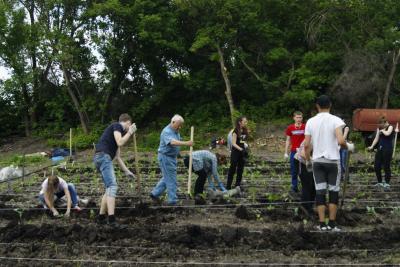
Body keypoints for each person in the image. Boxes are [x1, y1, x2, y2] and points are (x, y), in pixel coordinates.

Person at [304, 95, 354, 232]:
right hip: (333, 161)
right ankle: (332, 224)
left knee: (320, 192)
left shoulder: (310, 122)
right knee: (333, 192)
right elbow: (340, 141)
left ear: (317, 106)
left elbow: (307, 145)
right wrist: (349, 147)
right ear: (330, 105)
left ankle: (321, 224)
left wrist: (308, 160)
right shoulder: (336, 120)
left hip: (318, 161)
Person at [93, 113, 137, 227]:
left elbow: (118, 157)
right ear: (128, 122)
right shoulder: (117, 126)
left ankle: (101, 217)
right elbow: (120, 142)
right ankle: (112, 220)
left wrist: (127, 171)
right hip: (103, 157)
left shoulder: (117, 132)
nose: (129, 127)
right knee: (113, 186)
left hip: (99, 158)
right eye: (129, 125)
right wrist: (130, 132)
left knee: (109, 188)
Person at [150, 115, 193, 205]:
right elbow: (172, 142)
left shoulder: (176, 131)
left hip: (172, 157)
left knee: (167, 178)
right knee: (171, 179)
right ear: (173, 122)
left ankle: (154, 194)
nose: (180, 127)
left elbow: (177, 142)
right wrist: (186, 143)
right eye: (179, 125)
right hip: (165, 157)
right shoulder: (167, 131)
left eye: (181, 125)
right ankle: (172, 200)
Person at [368, 117, 398, 190]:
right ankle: (380, 182)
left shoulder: (390, 127)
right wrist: (372, 146)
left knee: (386, 166)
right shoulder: (380, 128)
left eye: (382, 124)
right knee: (376, 166)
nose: (381, 126)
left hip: (387, 149)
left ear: (385, 122)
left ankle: (387, 183)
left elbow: (387, 134)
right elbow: (376, 138)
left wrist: (382, 130)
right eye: (380, 125)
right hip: (380, 149)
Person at [284, 111, 306, 193]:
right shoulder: (290, 128)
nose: (299, 119)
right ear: (294, 118)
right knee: (294, 170)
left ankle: (305, 186)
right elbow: (288, 140)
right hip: (293, 151)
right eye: (297, 117)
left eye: (300, 117)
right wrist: (286, 152)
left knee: (304, 170)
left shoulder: (305, 127)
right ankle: (294, 186)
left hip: (303, 151)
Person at [227, 116, 249, 190]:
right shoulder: (236, 131)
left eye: (246, 121)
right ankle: (228, 186)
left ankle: (237, 185)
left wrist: (245, 150)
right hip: (235, 152)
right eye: (244, 121)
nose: (246, 123)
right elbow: (233, 143)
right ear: (240, 122)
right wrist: (241, 149)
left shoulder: (244, 130)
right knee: (232, 169)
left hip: (241, 152)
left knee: (240, 169)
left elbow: (242, 142)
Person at [294, 141, 316, 215]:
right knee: (307, 185)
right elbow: (303, 153)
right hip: (302, 161)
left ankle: (309, 207)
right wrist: (315, 161)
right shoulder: (312, 138)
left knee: (314, 186)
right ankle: (305, 209)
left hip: (311, 161)